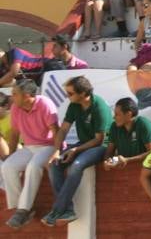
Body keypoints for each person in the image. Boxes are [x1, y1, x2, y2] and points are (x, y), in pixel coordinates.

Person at [40, 75, 110, 226]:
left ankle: (57, 210)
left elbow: (99, 139)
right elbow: (63, 129)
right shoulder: (74, 105)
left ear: (84, 93)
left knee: (76, 165)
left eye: (70, 93)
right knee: (54, 164)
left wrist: (76, 150)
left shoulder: (99, 106)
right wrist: (56, 151)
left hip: (102, 147)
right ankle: (68, 211)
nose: (67, 96)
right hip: (83, 144)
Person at [1, 78, 58, 229]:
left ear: (26, 95)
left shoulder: (44, 103)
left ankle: (23, 209)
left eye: (15, 94)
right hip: (29, 147)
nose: (11, 97)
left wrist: (57, 151)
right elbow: (14, 134)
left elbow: (56, 131)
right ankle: (22, 208)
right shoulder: (16, 107)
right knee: (7, 166)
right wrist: (11, 155)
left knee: (33, 166)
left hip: (49, 146)